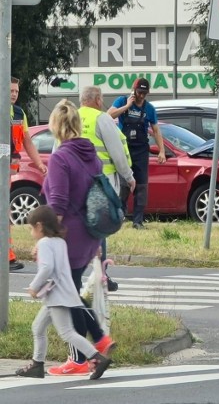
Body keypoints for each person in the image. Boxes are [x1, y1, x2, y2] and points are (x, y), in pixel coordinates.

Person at [42, 100, 116, 376]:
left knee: (67, 295)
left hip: (67, 235)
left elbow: (59, 203)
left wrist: (48, 241)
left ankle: (83, 355)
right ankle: (97, 343)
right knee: (70, 292)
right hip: (88, 232)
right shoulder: (91, 154)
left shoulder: (61, 156)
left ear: (57, 126)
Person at [15, 205, 112, 380]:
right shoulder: (60, 242)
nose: (31, 233)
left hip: (57, 296)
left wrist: (34, 287)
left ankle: (97, 358)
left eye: (31, 228)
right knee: (38, 327)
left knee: (67, 332)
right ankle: (37, 365)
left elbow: (47, 268)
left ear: (39, 226)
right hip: (63, 293)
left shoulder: (44, 243)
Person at [79, 86, 136, 291]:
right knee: (100, 228)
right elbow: (117, 152)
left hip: (76, 182)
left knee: (78, 226)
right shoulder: (101, 119)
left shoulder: (72, 117)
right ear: (97, 100)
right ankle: (102, 276)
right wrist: (128, 177)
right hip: (100, 182)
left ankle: (76, 273)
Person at [107, 78, 166, 229]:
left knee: (141, 186)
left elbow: (156, 130)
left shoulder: (150, 109)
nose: (141, 96)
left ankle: (138, 221)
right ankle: (120, 217)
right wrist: (127, 106)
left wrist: (162, 151)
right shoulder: (121, 101)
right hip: (124, 149)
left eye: (144, 93)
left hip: (141, 150)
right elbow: (108, 116)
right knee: (124, 184)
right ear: (133, 91)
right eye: (139, 92)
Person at [9, 77, 47, 272]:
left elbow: (26, 141)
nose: (14, 94)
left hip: (8, 170)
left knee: (3, 214)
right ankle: (7, 257)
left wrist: (39, 163)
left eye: (16, 91)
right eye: (11, 91)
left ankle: (7, 256)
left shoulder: (18, 113)